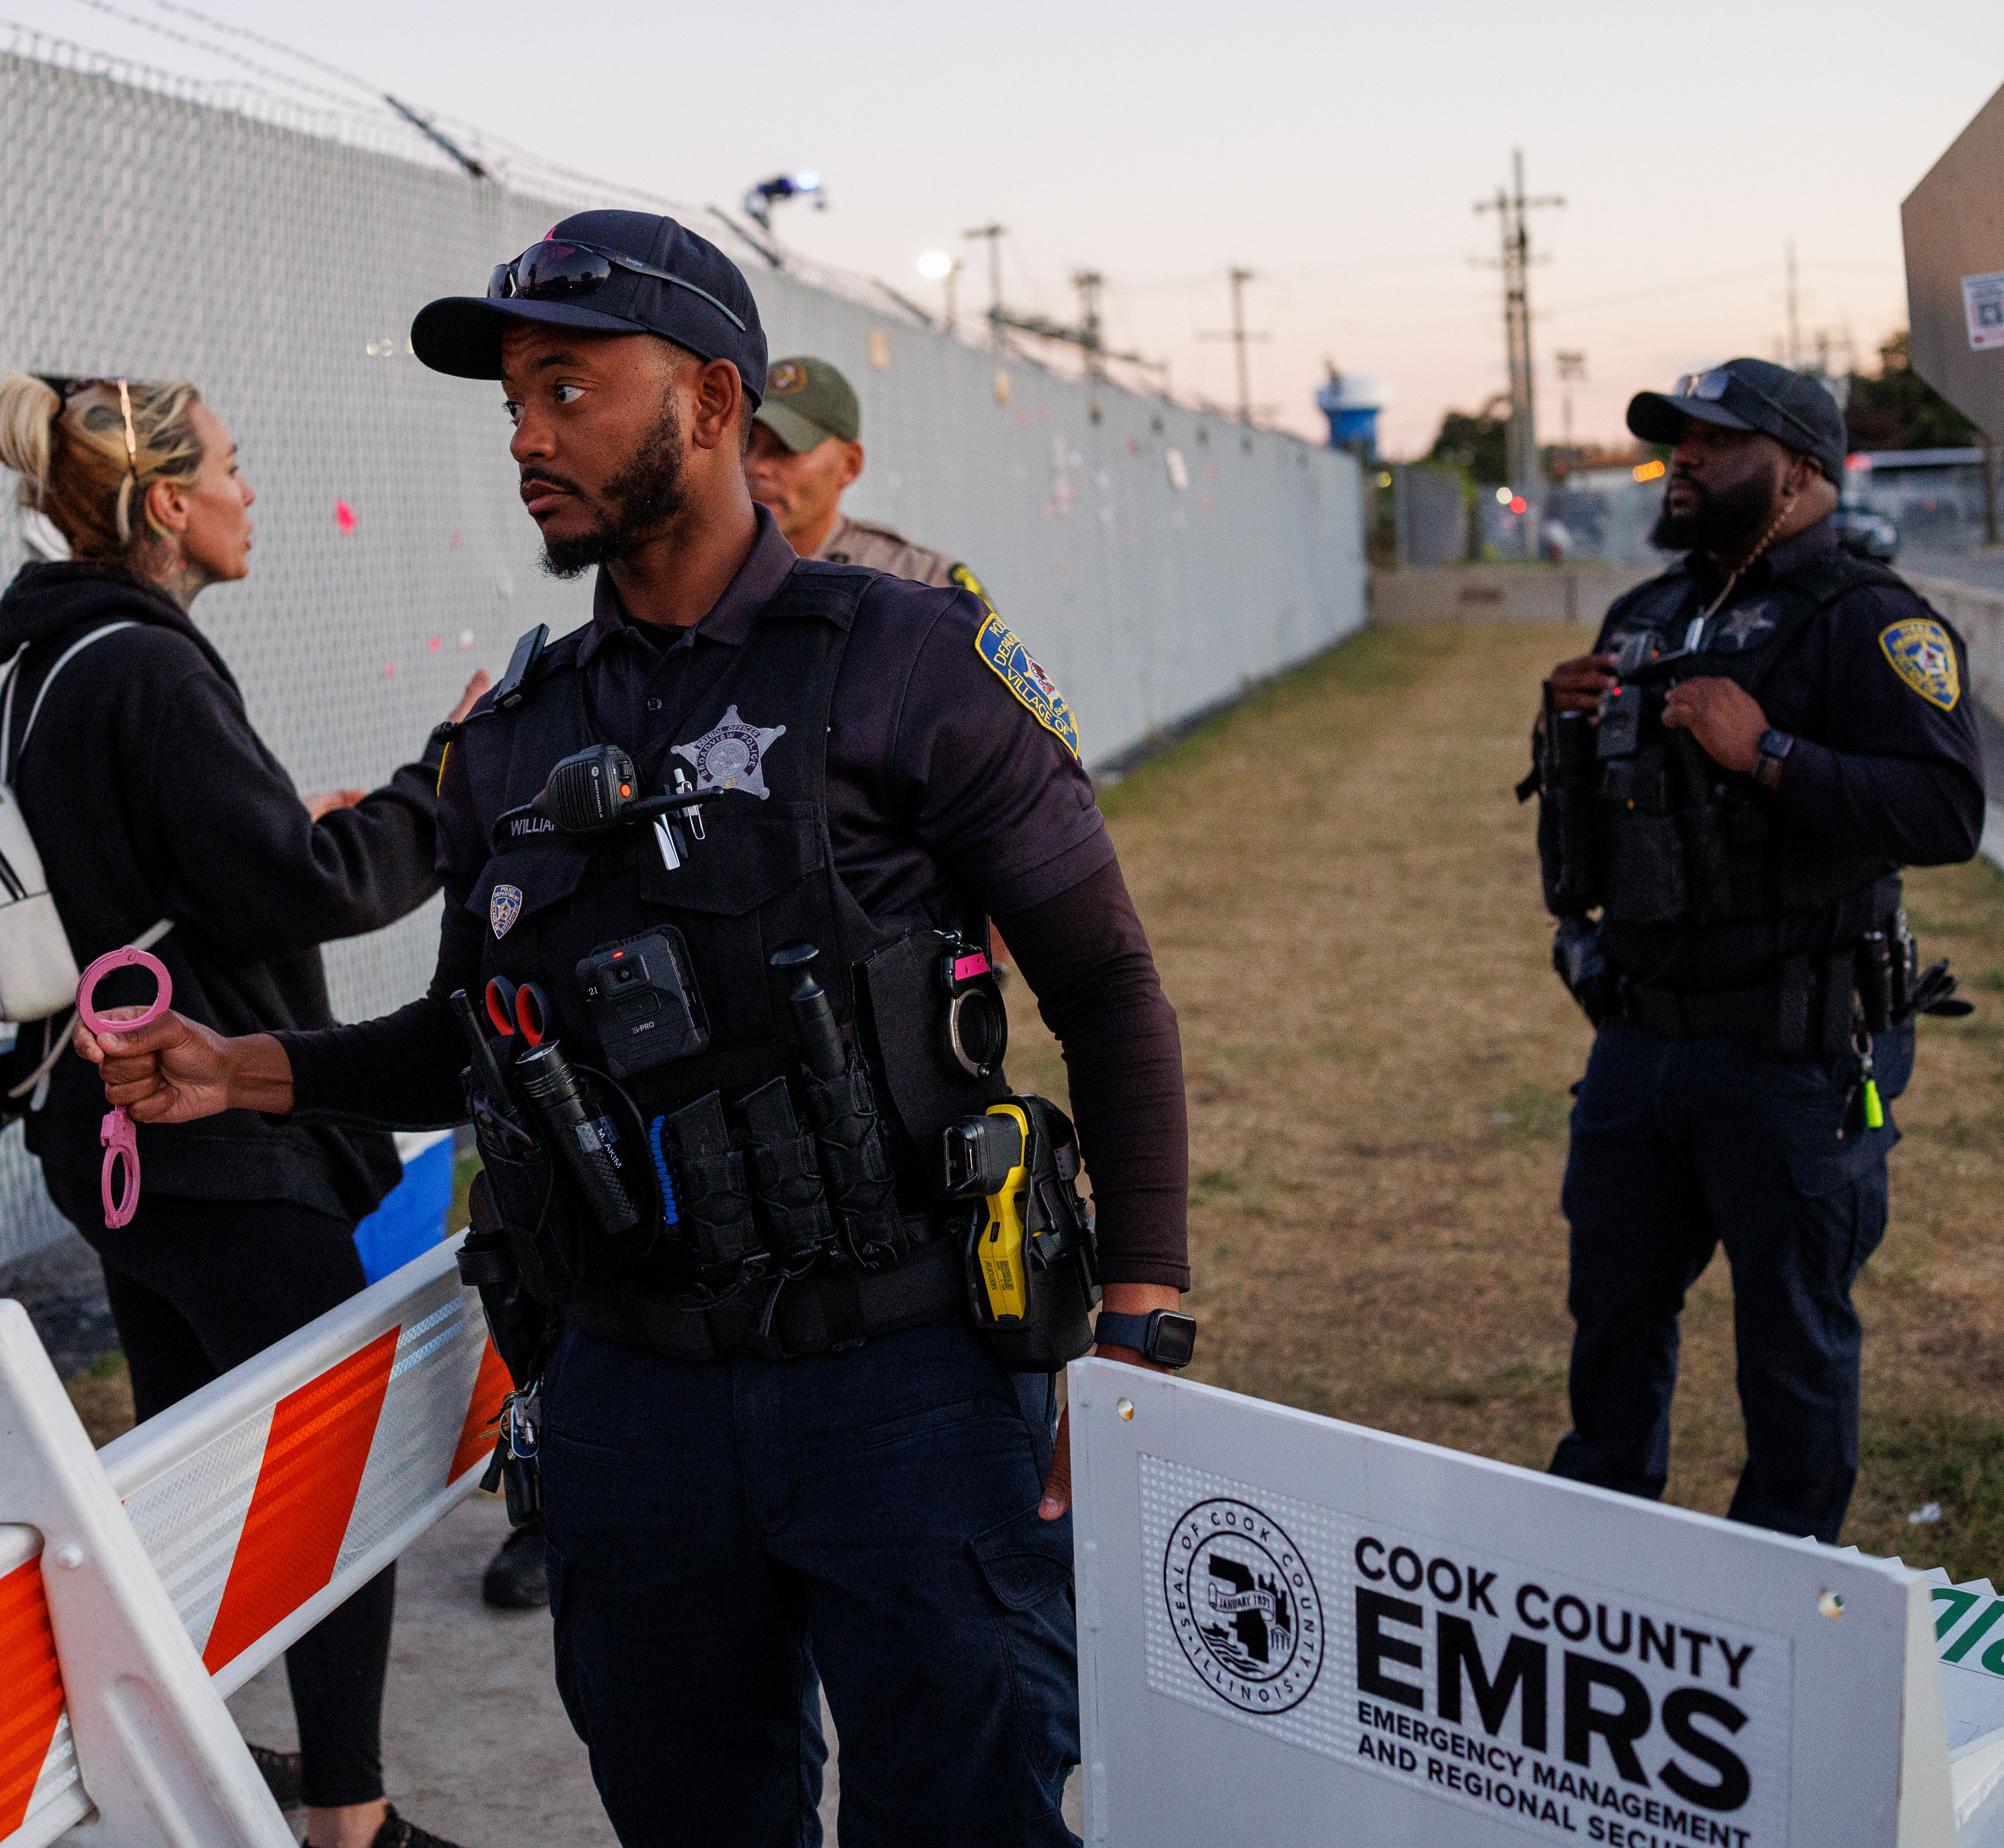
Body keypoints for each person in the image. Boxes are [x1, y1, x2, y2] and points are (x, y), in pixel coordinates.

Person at [80, 211, 1194, 1848]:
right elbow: (477, 1039)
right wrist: (243, 1070)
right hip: (634, 1409)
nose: (527, 436)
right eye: (514, 399)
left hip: (912, 1389)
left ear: (716, 404)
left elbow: (1105, 981)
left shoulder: (910, 665)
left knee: (967, 1817)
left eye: (570, 388)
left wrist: (1142, 1329)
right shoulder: (518, 737)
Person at [0, 371, 486, 1848]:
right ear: (170, 502)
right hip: (215, 1139)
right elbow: (300, 888)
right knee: (331, 1468)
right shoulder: (147, 665)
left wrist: (287, 828)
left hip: (121, 1138)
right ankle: (344, 1818)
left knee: (198, 1474)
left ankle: (182, 1768)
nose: (254, 494)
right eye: (238, 470)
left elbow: (180, 870)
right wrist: (438, 785)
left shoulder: (56, 660)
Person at [1529, 357, 1982, 1543]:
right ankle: (1597, 1576)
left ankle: (1785, 1605)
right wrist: (1567, 715)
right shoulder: (1647, 613)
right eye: (1673, 442)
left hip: (1790, 1056)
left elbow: (1948, 813)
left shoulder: (1867, 618)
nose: (1680, 462)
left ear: (1796, 468)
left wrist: (1768, 748)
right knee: (1612, 1325)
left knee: (1789, 1349)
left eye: (1710, 444)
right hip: (1637, 1044)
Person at [743, 350, 981, 595]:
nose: (755, 466)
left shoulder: (923, 582)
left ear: (850, 465)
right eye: (745, 441)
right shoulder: (705, 564)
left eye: (787, 448)